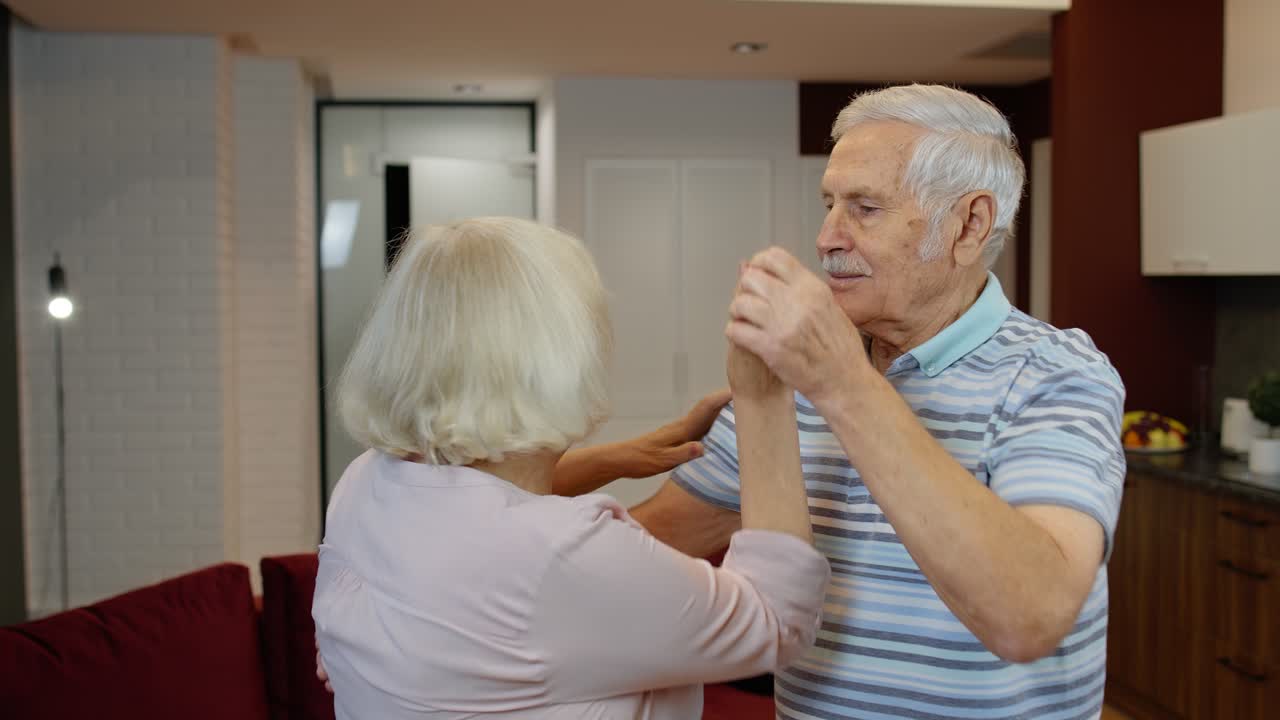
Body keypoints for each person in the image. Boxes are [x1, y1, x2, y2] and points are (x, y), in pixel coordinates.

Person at [628, 84, 1127, 719]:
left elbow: (1029, 617)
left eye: (864, 208)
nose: (827, 238)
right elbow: (655, 543)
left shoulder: (1058, 374)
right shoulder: (795, 374)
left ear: (969, 225)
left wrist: (842, 383)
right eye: (829, 204)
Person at [312, 217, 830, 719]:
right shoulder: (555, 555)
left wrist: (615, 459)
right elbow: (776, 620)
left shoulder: (363, 483)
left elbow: (468, 512)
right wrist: (762, 397)